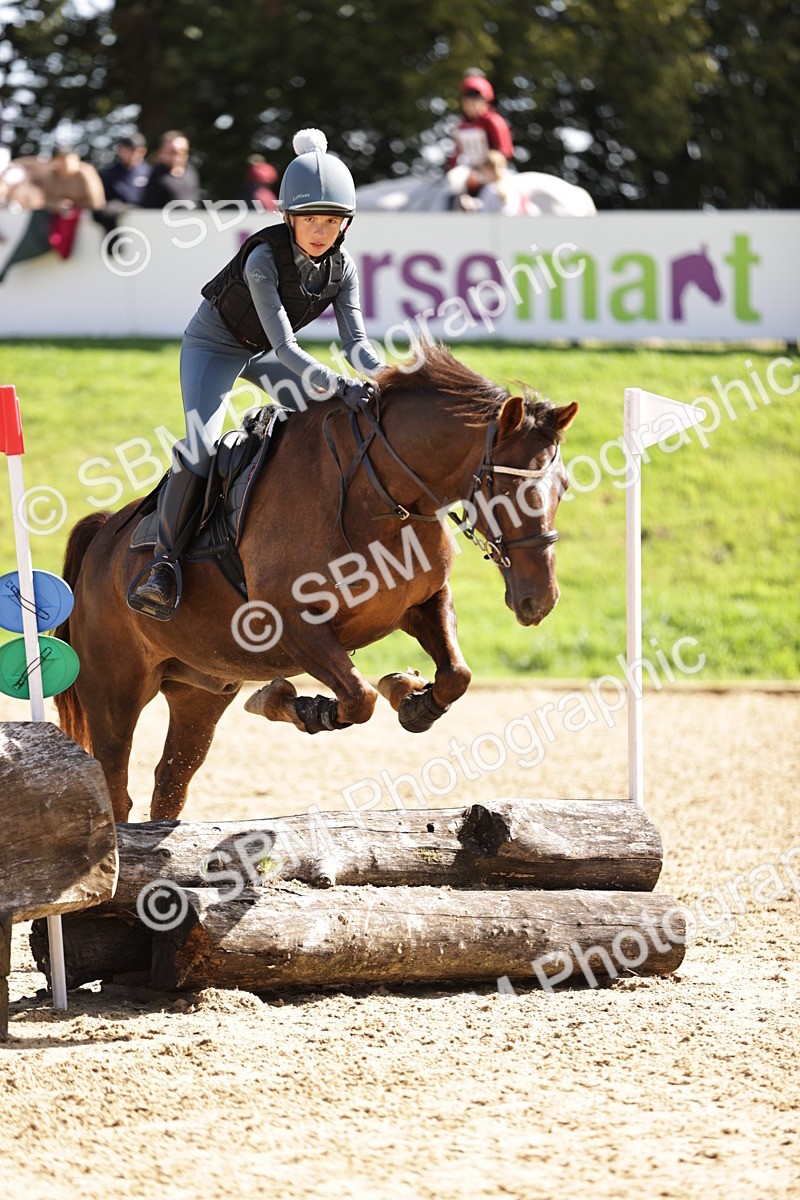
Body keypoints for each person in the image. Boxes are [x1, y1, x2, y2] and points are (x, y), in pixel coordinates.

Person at [127, 128, 385, 621]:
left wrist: (391, 375)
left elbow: (357, 345)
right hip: (215, 348)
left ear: (346, 225)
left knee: (330, 420)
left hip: (264, 352)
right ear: (288, 218)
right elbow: (287, 347)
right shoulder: (264, 258)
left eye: (332, 221)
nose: (320, 231)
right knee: (203, 447)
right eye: (309, 219)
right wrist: (340, 384)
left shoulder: (343, 267)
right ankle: (162, 565)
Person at [447, 73, 514, 171]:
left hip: (492, 171)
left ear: (485, 102)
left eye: (475, 102)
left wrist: (489, 162)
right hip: (469, 171)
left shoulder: (493, 121)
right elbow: (457, 153)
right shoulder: (462, 126)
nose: (470, 106)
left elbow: (505, 151)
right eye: (467, 102)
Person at [141, 130, 201, 208]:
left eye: (183, 151)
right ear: (163, 152)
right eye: (173, 152)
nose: (178, 155)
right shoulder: (155, 175)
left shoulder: (191, 173)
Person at [100, 133, 151, 206]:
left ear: (142, 151)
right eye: (124, 150)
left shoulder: (150, 173)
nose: (126, 154)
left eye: (131, 150)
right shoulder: (109, 174)